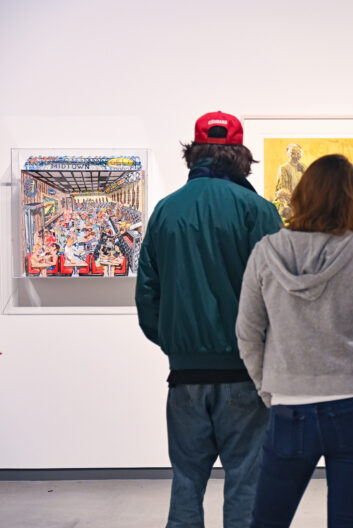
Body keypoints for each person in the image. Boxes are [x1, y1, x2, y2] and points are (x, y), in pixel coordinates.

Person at [236, 154, 353, 527]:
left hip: (289, 406)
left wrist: (269, 389)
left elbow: (247, 334)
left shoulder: (266, 251)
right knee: (347, 520)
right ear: (351, 200)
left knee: (268, 520)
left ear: (301, 196)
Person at [135, 111, 281, 528]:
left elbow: (147, 293)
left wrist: (172, 342)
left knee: (185, 481)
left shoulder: (166, 211)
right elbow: (279, 295)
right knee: (246, 486)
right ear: (240, 156)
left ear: (193, 153)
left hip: (185, 376)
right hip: (246, 377)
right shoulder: (259, 210)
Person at [274, 143, 306, 218]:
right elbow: (282, 189)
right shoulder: (284, 168)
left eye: (298, 153)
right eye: (293, 153)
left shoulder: (303, 167)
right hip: (289, 200)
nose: (296, 156)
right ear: (288, 154)